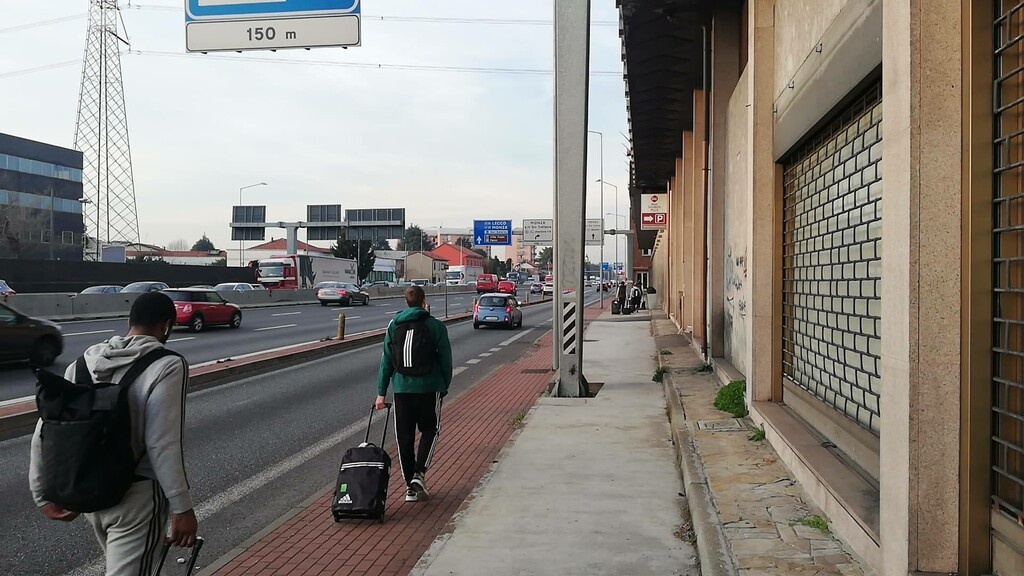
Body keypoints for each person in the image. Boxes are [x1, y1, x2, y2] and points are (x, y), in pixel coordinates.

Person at [29, 292, 197, 576]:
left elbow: (46, 427)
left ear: (129, 321)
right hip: (138, 499)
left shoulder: (83, 364)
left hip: (91, 491)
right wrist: (183, 508)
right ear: (167, 326)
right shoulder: (168, 364)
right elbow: (163, 443)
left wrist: (41, 493)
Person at [375, 286, 453, 503]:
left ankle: (410, 487)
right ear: (424, 301)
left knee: (404, 438)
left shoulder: (393, 325)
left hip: (401, 390)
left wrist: (381, 393)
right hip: (429, 388)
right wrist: (444, 385)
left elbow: (386, 360)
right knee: (430, 429)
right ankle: (419, 473)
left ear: (405, 301)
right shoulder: (436, 326)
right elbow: (446, 360)